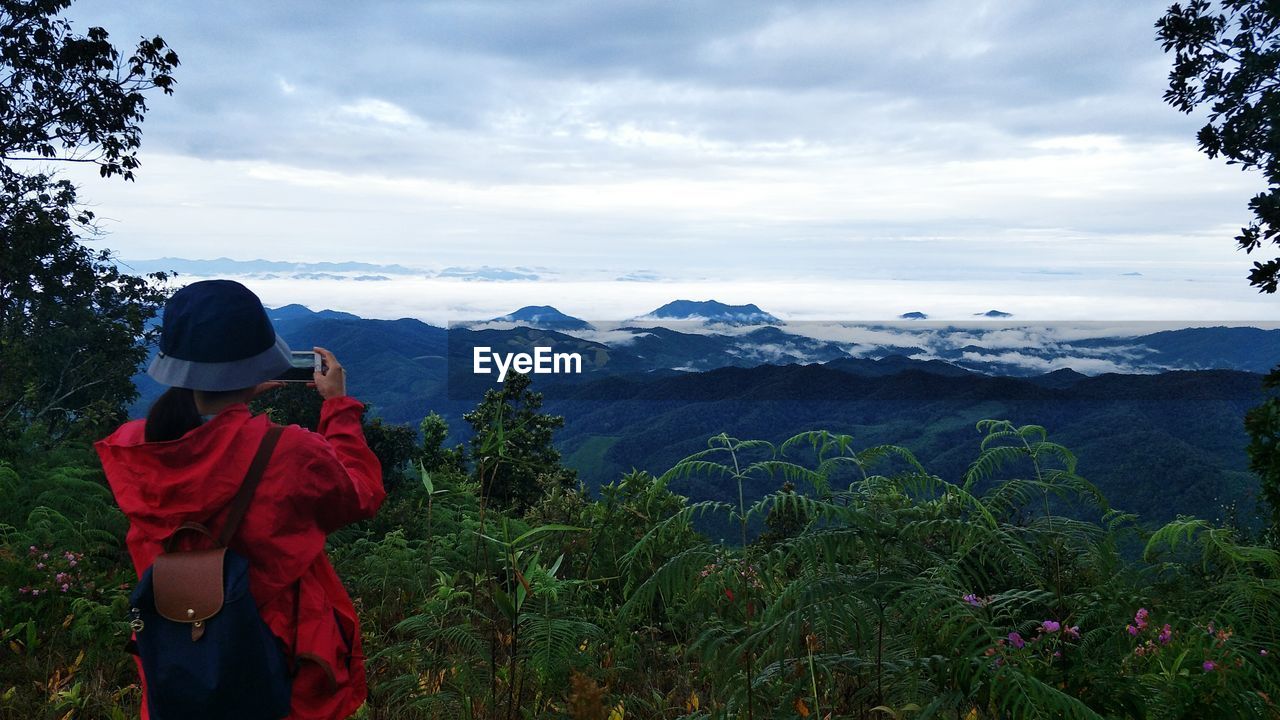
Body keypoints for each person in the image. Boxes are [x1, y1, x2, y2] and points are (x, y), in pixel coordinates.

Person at [95, 279, 385, 720]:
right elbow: (361, 496)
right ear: (255, 363)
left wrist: (238, 392)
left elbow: (204, 444)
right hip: (278, 673)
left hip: (183, 673)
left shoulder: (135, 450)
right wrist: (338, 407)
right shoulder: (287, 452)